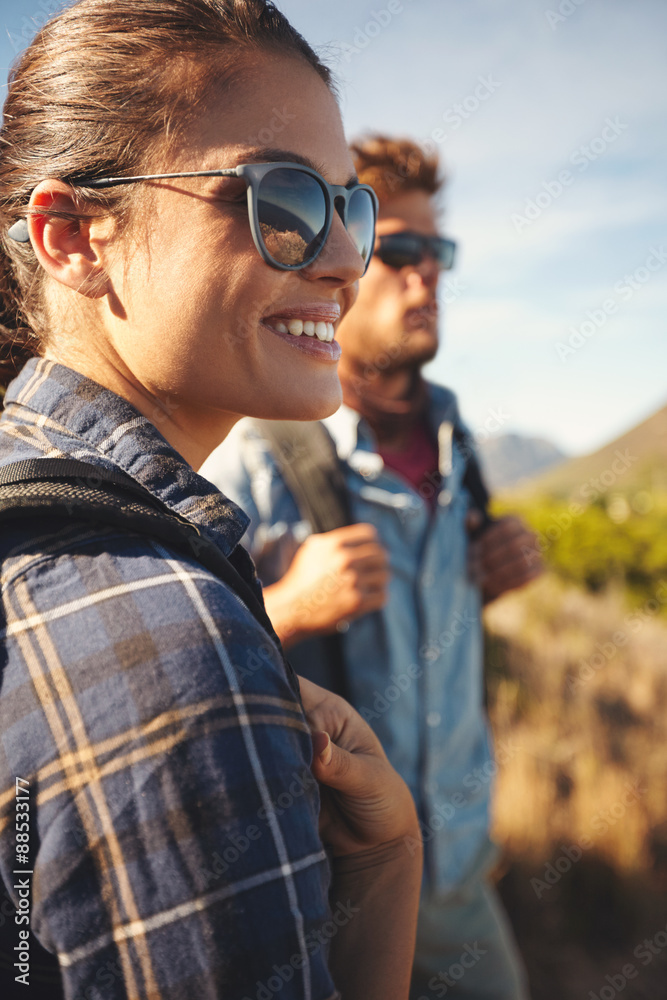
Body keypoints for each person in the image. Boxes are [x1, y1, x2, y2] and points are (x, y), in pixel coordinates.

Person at [0, 6, 424, 999]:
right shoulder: (169, 644)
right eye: (279, 201)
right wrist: (392, 862)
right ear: (71, 235)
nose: (339, 261)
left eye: (343, 207)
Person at [201, 135, 542, 999]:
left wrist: (485, 583)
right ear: (343, 263)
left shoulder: (454, 447)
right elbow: (173, 669)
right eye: (400, 250)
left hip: (462, 873)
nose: (426, 276)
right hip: (323, 899)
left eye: (440, 254)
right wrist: (286, 605)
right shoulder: (250, 456)